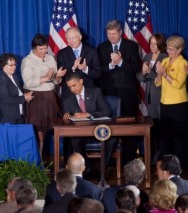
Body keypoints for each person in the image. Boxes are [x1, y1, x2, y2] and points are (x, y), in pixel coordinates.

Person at [97, 20, 141, 163]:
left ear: (120, 32)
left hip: (127, 94)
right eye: (109, 34)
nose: (111, 37)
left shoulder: (131, 46)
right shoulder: (102, 47)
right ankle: (109, 161)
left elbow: (135, 68)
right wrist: (110, 65)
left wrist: (121, 61)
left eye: (114, 34)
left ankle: (129, 161)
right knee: (109, 128)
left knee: (128, 127)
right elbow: (98, 70)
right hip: (108, 94)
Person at [21, 34, 67, 156]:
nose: (44, 51)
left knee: (48, 131)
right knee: (38, 132)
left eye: (45, 48)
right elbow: (28, 82)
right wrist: (45, 77)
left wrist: (58, 76)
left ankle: (42, 161)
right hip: (35, 98)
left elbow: (55, 81)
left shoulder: (51, 58)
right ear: (34, 48)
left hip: (50, 97)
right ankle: (36, 162)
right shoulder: (27, 61)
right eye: (40, 49)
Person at [62, 72, 115, 167]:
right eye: (69, 87)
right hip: (81, 134)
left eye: (74, 85)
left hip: (98, 131)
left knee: (112, 139)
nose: (72, 89)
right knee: (75, 140)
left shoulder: (95, 92)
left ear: (81, 81)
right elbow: (67, 119)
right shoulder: (67, 99)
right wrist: (66, 117)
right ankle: (86, 168)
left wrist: (89, 114)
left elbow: (107, 111)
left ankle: (102, 169)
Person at [155, 36, 188, 168]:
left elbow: (178, 84)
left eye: (172, 49)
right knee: (165, 136)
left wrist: (164, 74)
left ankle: (180, 165)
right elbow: (157, 83)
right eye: (167, 48)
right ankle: (167, 165)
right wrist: (159, 74)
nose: (168, 51)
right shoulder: (164, 61)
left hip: (178, 104)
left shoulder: (183, 63)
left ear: (179, 50)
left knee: (178, 137)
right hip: (165, 103)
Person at [136, 33, 167, 164]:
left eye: (155, 44)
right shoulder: (147, 56)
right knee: (153, 128)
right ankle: (153, 158)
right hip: (150, 97)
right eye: (151, 43)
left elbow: (163, 78)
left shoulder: (165, 57)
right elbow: (140, 77)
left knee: (162, 129)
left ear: (160, 44)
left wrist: (149, 72)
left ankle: (162, 157)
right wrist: (143, 72)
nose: (152, 46)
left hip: (161, 96)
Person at [57, 27, 101, 98]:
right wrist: (73, 68)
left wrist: (85, 69)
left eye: (73, 38)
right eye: (68, 38)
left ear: (80, 37)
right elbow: (61, 76)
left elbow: (98, 74)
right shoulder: (61, 53)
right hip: (69, 94)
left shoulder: (92, 51)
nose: (71, 41)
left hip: (88, 92)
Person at [0, 53, 34, 124]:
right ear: (3, 65)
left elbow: (19, 93)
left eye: (15, 64)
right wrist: (24, 98)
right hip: (9, 117)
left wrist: (26, 97)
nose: (14, 67)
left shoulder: (15, 77)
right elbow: (6, 99)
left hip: (20, 115)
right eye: (11, 65)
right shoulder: (1, 80)